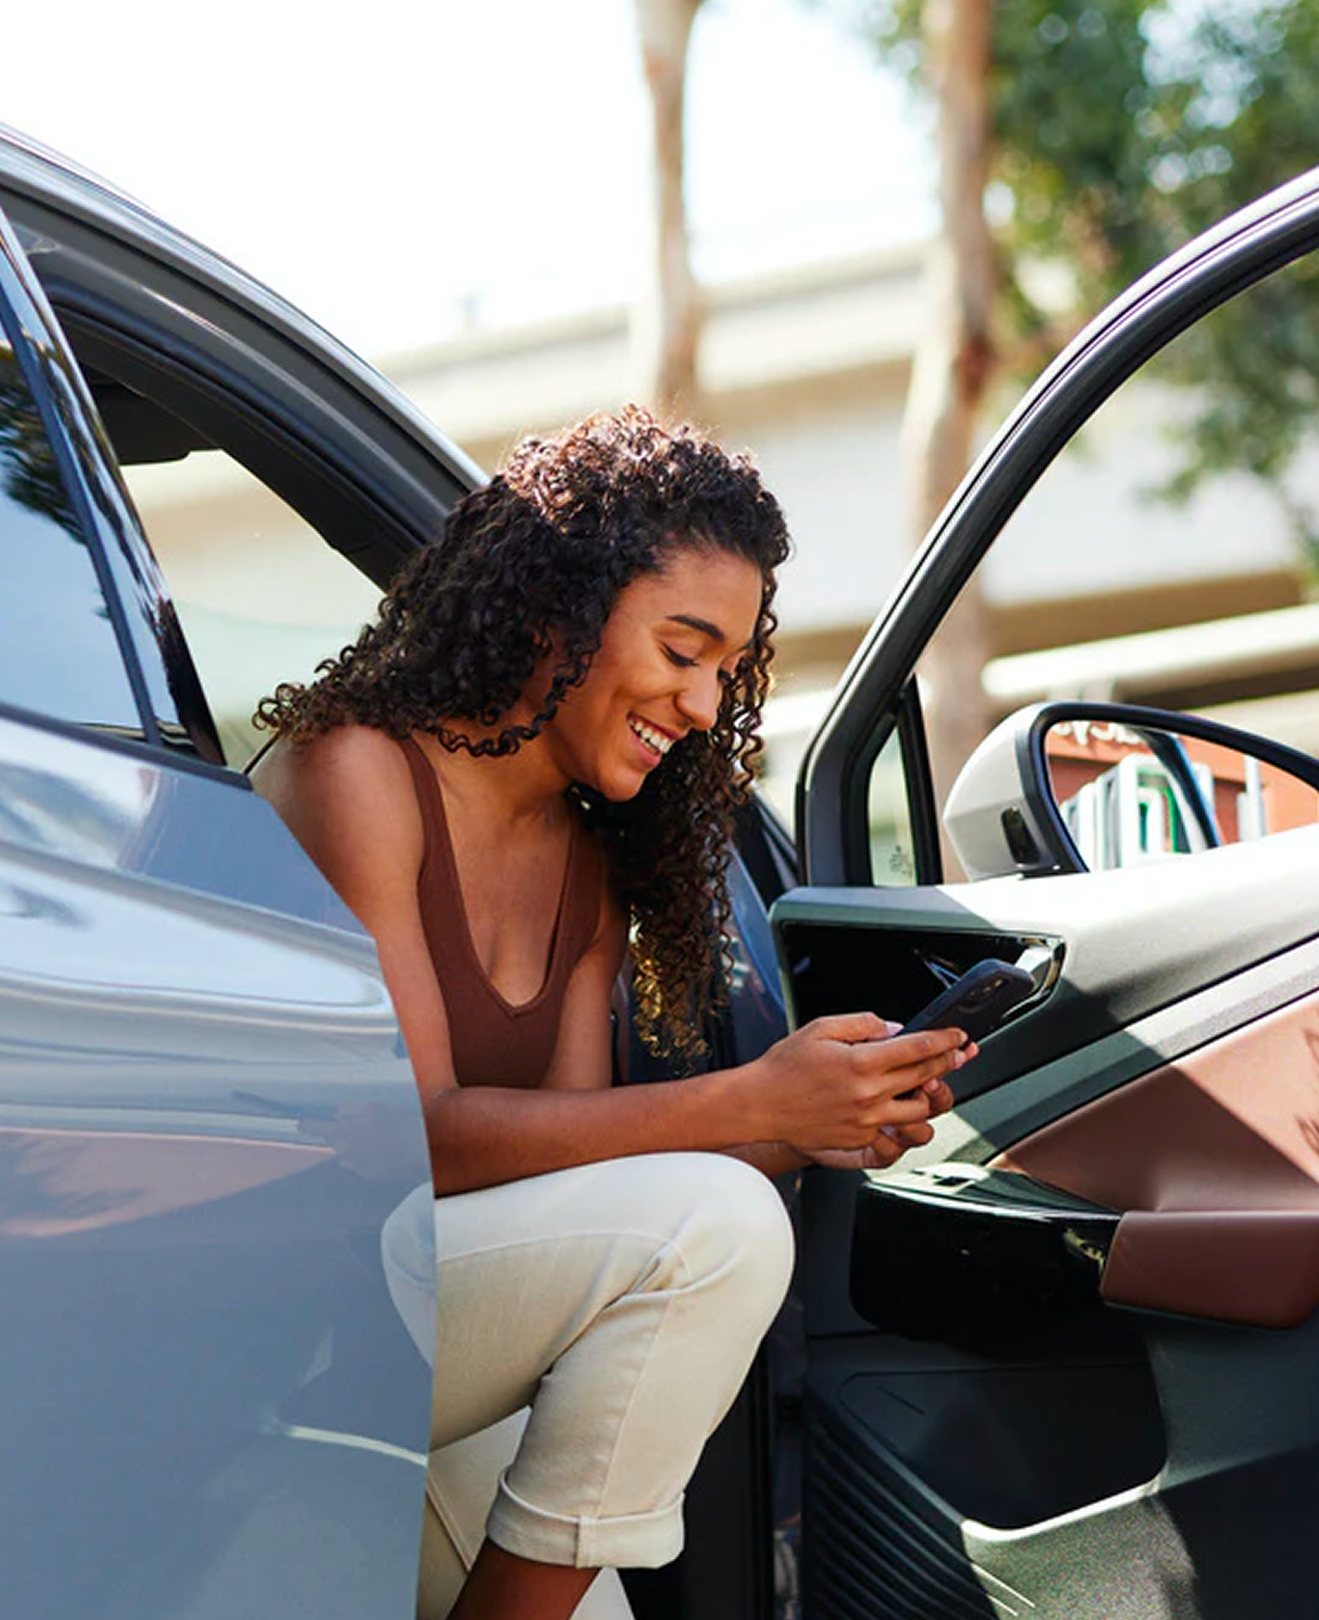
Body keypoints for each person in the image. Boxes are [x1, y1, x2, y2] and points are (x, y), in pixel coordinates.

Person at [255, 407, 971, 1620]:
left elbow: (572, 1187)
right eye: (683, 650)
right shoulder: (357, 773)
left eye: (726, 675)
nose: (701, 706)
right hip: (288, 1319)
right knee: (728, 1227)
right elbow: (414, 1140)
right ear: (560, 607)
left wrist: (806, 1123)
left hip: (434, 1332)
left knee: (720, 1219)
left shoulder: (586, 869)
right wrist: (750, 1106)